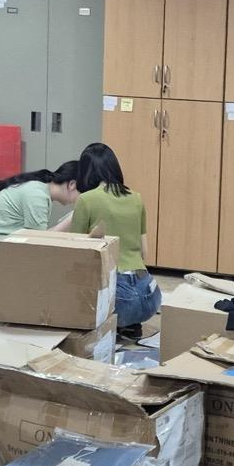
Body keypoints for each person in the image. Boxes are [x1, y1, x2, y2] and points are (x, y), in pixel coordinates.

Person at [69, 142, 159, 336]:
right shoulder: (136, 198)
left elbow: (74, 253)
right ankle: (129, 325)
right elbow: (144, 253)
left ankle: (115, 322)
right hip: (150, 296)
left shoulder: (86, 199)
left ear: (85, 172)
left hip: (120, 299)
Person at [0, 161, 81, 262]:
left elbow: (39, 236)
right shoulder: (37, 194)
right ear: (72, 185)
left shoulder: (41, 187)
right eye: (82, 192)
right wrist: (72, 217)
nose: (81, 198)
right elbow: (39, 241)